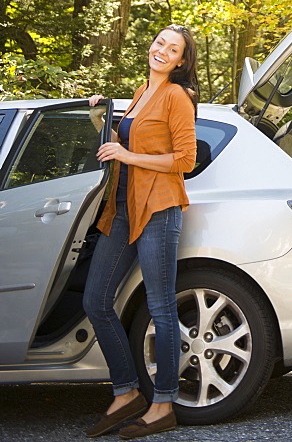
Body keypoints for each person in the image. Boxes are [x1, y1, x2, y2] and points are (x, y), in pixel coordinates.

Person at [83, 25, 198, 440]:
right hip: (123, 208)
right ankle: (127, 392)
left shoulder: (177, 96)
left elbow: (184, 160)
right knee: (96, 301)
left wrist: (126, 152)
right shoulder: (142, 91)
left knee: (161, 308)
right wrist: (102, 120)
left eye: (173, 49)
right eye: (159, 43)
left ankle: (163, 403)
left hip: (159, 208)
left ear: (182, 61)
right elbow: (123, 145)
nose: (162, 50)